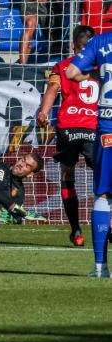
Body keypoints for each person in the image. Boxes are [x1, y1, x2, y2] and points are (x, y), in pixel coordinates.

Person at [37, 25, 97, 247]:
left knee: (67, 177)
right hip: (94, 128)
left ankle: (76, 230)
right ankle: (107, 224)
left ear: (73, 45)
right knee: (104, 177)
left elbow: (52, 90)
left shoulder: (62, 66)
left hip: (68, 128)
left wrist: (43, 112)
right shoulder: (102, 67)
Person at [65, 27, 112, 277]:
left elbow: (71, 73)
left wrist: (95, 72)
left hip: (107, 129)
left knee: (103, 195)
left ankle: (100, 267)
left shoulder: (100, 41)